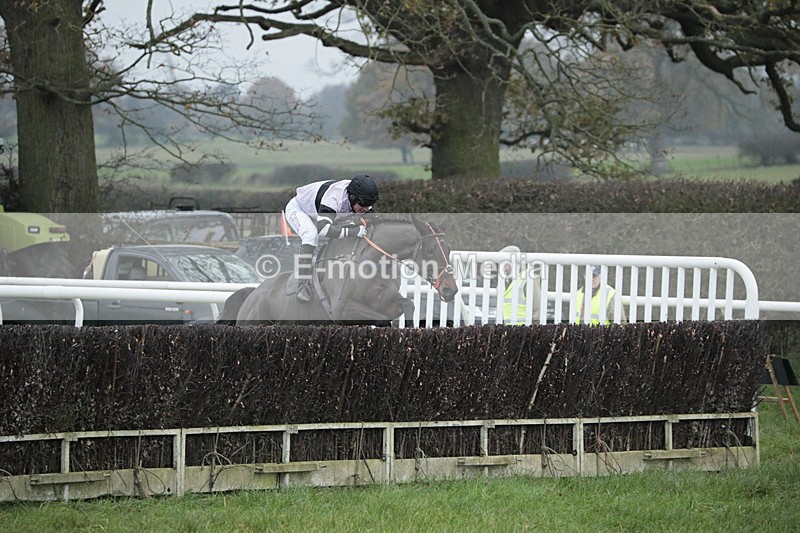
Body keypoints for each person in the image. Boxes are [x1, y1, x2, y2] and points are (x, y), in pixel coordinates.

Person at [284, 175, 380, 302]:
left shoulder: (361, 198)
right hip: (300, 209)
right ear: (352, 197)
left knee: (350, 228)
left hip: (319, 213)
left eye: (369, 205)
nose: (366, 209)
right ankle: (302, 285)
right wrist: (354, 231)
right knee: (311, 235)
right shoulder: (334, 198)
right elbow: (323, 229)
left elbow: (371, 219)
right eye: (363, 205)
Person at [499, 245, 542, 324]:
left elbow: (536, 310)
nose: (501, 264)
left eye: (504, 260)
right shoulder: (504, 280)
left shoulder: (529, 279)